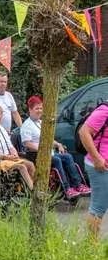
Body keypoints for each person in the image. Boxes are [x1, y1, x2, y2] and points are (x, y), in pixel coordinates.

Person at [21, 96, 90, 200]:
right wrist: (41, 150)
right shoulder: (27, 125)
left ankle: (77, 184)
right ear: (30, 109)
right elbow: (27, 143)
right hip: (37, 155)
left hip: (49, 153)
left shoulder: (40, 123)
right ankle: (66, 188)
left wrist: (58, 144)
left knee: (68, 157)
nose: (39, 111)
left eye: (41, 108)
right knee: (57, 160)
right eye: (37, 108)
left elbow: (48, 138)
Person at [0, 104, 35, 189]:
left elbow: (10, 146)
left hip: (8, 160)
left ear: (1, 115)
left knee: (30, 164)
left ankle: (31, 189)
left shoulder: (2, 129)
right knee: (22, 167)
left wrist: (14, 153)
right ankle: (32, 191)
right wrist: (5, 156)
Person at [78, 101, 108, 238]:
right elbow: (84, 132)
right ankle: (91, 248)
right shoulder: (104, 111)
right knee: (98, 207)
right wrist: (97, 158)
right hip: (100, 166)